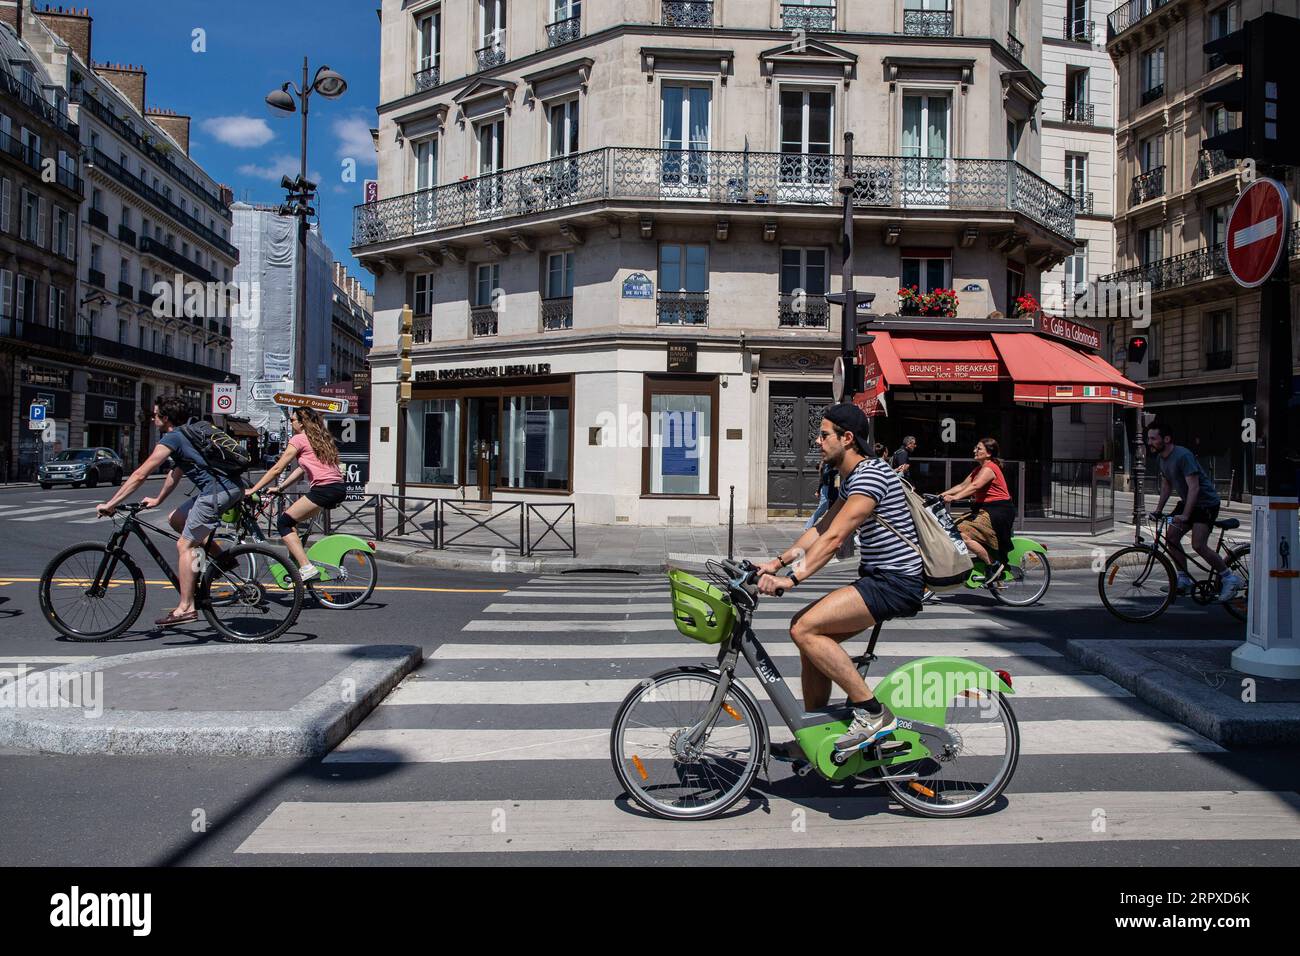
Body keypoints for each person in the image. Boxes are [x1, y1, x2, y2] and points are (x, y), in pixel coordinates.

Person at [756, 403, 924, 758]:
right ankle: (815, 736)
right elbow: (820, 528)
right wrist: (777, 561)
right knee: (810, 640)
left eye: (824, 434)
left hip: (895, 582)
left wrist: (793, 579)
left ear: (848, 439)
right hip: (879, 578)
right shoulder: (853, 477)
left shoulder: (871, 475)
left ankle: (874, 714)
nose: (817, 441)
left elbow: (834, 539)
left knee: (804, 628)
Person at [96, 396, 244, 627]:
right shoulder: (187, 433)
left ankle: (186, 607)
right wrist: (158, 499)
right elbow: (175, 472)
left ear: (165, 418)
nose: (153, 418)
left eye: (155, 415)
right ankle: (222, 560)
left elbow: (140, 474)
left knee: (184, 545)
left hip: (217, 492)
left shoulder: (173, 437)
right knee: (176, 519)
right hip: (225, 487)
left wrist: (111, 503)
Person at [245, 407, 347, 582]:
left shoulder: (299, 439)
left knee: (283, 522)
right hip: (337, 488)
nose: (290, 423)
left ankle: (306, 567)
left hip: (323, 490)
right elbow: (301, 468)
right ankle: (299, 563)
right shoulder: (320, 438)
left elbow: (277, 468)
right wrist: (281, 487)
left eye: (292, 420)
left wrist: (253, 489)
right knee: (292, 522)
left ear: (301, 422)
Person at [1147, 423, 1242, 602]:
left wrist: (1186, 515)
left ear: (1166, 439)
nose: (1149, 442)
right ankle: (1183, 579)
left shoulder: (1183, 456)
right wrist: (1158, 510)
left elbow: (1194, 487)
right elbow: (1167, 485)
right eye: (1149, 438)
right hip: (1188, 502)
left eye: (1153, 438)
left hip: (1205, 503)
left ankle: (1230, 578)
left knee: (1198, 545)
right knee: (1171, 538)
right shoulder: (1162, 458)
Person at [941, 438, 1014, 586]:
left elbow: (975, 486)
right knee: (953, 529)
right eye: (976, 448)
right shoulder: (979, 469)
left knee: (961, 534)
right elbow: (962, 485)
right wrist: (940, 496)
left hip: (997, 512)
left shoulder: (990, 468)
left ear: (988, 453)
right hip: (984, 509)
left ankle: (993, 565)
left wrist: (954, 498)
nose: (975, 450)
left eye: (979, 448)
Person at [804, 461, 837, 530]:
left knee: (834, 508)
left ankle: (831, 526)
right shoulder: (826, 465)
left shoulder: (836, 464)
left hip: (834, 488)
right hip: (826, 488)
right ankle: (808, 526)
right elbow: (822, 479)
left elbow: (837, 477)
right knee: (822, 508)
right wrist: (818, 491)